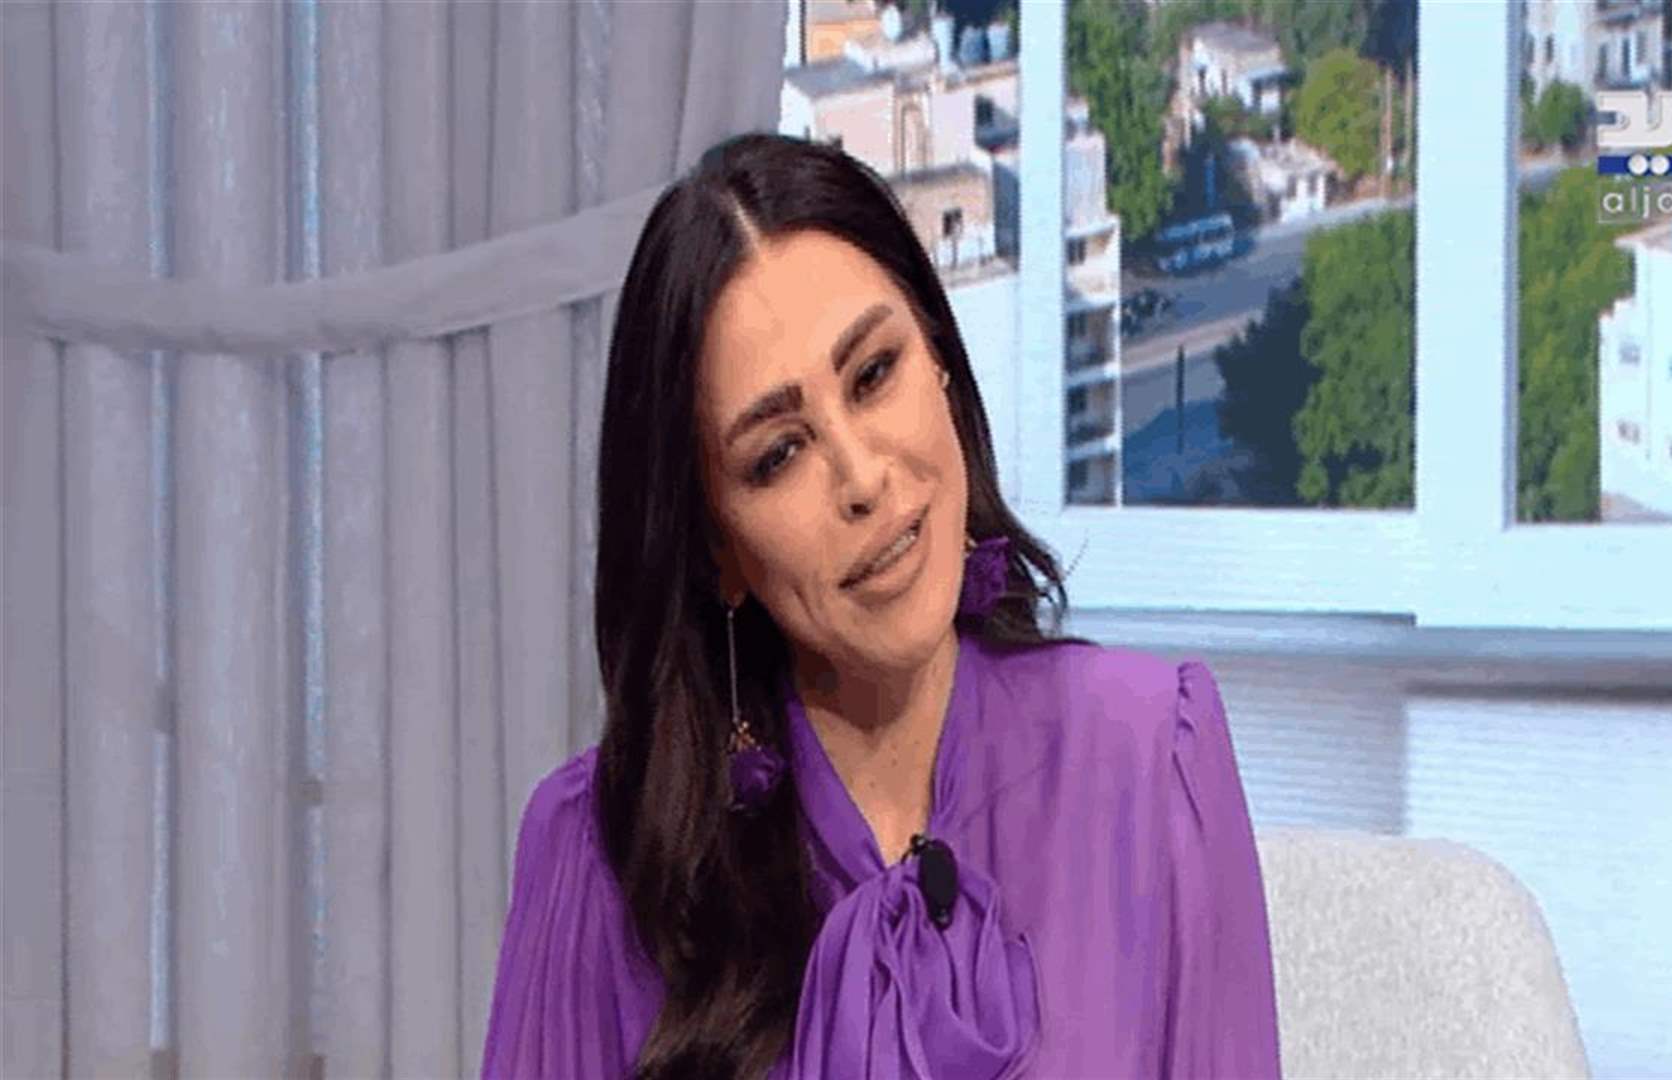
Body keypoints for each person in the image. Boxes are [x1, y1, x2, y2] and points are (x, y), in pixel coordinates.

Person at [480, 133, 1281, 1079]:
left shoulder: (1153, 756)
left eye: (873, 375)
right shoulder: (594, 859)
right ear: (716, 547)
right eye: (778, 455)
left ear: (940, 365)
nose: (861, 478)